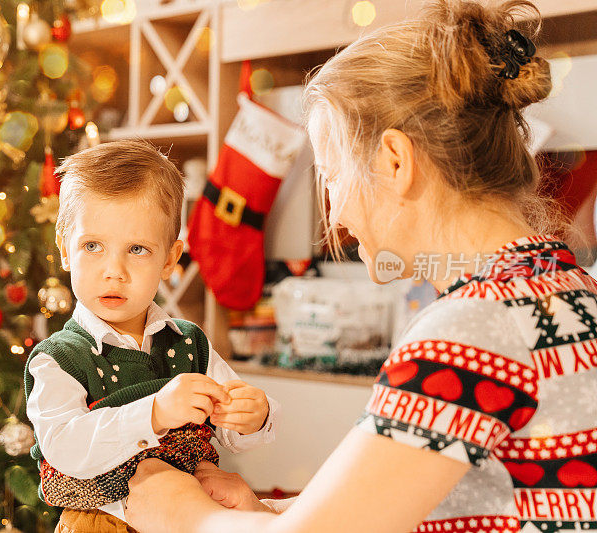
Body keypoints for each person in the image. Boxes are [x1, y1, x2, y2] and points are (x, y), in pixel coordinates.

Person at [123, 1, 597, 532]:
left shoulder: (472, 332)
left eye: (332, 175)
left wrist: (176, 509)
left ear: (395, 161)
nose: (338, 212)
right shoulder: (568, 287)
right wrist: (268, 512)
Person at [23, 140, 279, 533]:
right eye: (93, 246)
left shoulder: (190, 344)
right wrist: (155, 412)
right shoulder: (58, 359)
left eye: (137, 249)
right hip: (98, 523)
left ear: (170, 259)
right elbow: (64, 446)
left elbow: (231, 430)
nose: (114, 270)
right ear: (65, 250)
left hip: (185, 517)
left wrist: (253, 418)